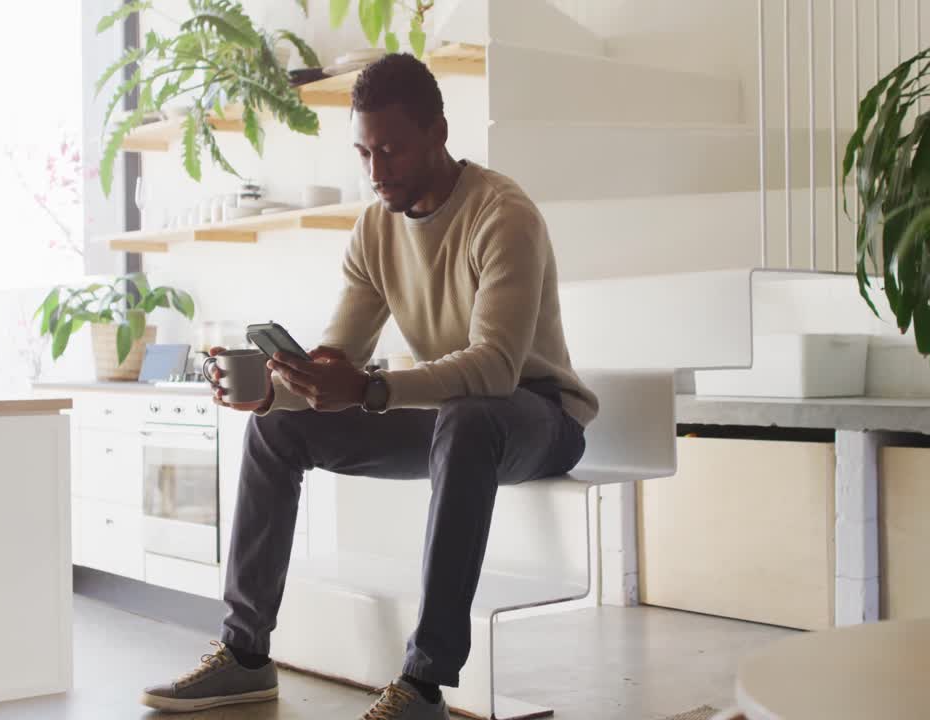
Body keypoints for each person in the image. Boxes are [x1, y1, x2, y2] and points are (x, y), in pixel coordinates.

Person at [140, 53, 598, 720]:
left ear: (438, 133)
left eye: (393, 151)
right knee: (275, 429)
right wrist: (274, 389)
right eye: (364, 153)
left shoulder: (503, 214)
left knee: (470, 416)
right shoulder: (374, 228)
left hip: (539, 418)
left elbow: (496, 369)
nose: (377, 172)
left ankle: (423, 684)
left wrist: (372, 391)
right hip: (443, 418)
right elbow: (340, 361)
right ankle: (244, 658)